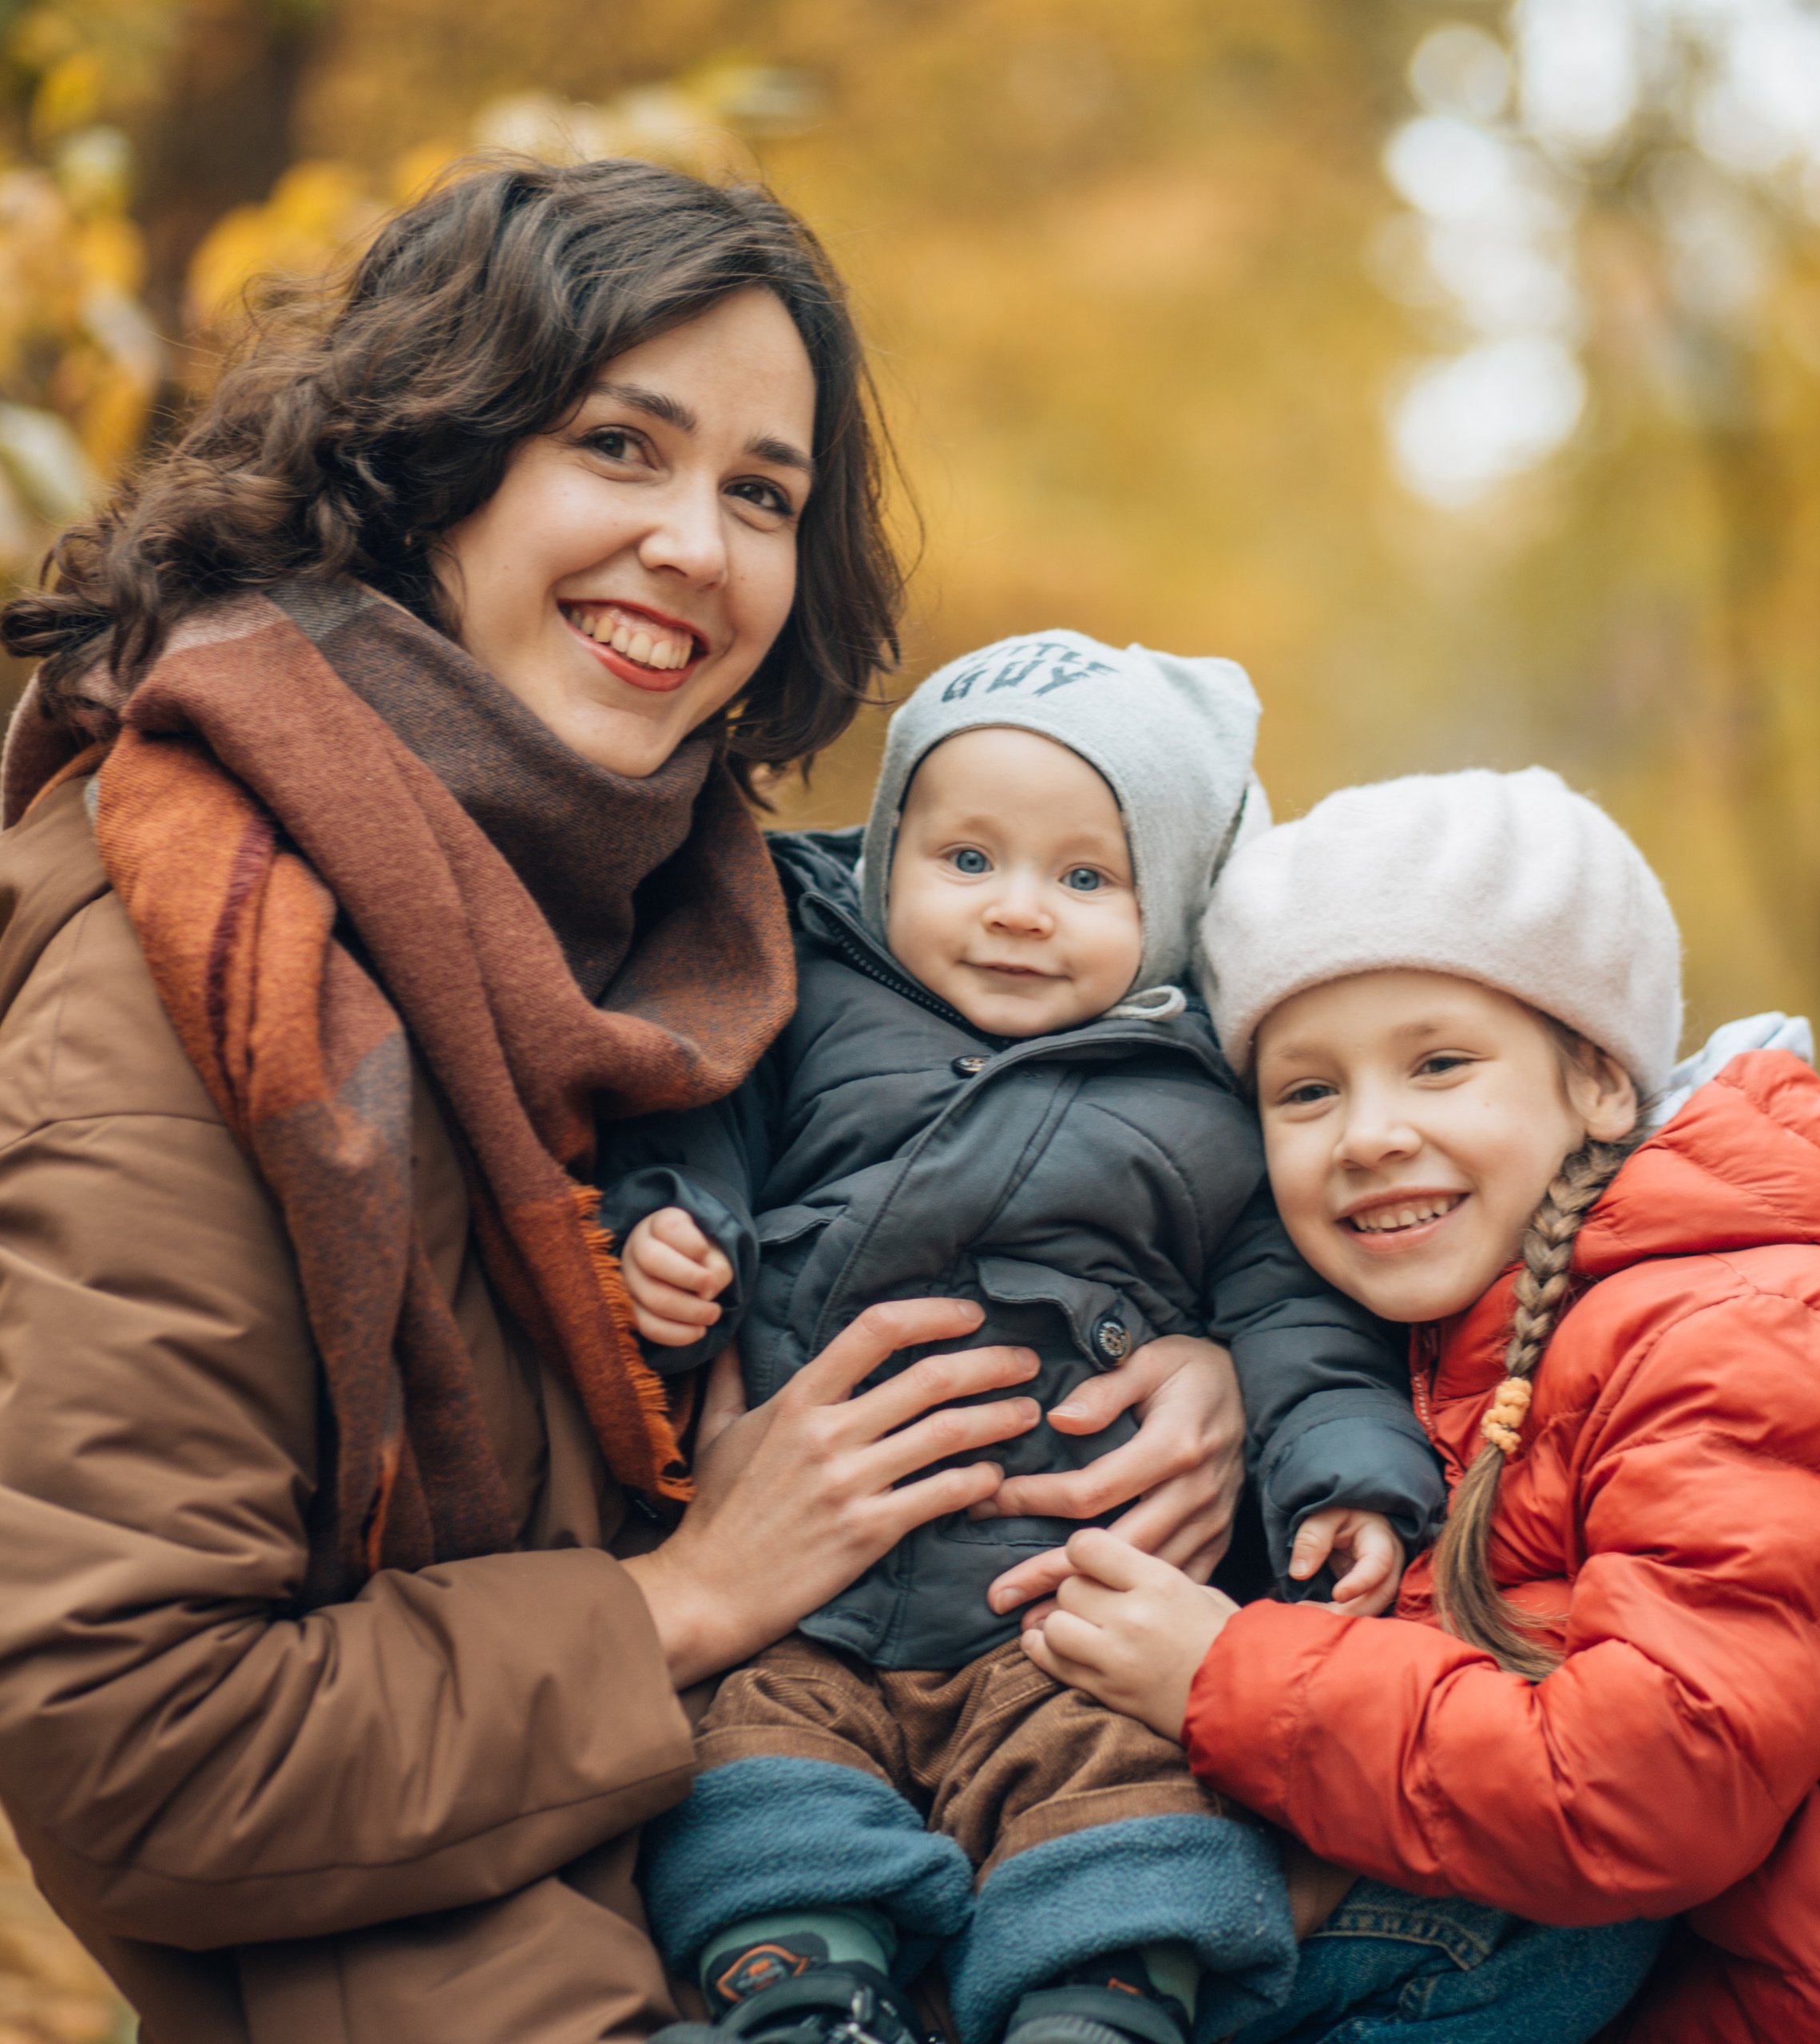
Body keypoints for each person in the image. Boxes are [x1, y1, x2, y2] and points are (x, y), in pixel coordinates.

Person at [0, 160, 1247, 2044]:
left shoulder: (704, 930)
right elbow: (140, 1747)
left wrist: (1183, 1355)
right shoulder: (179, 971)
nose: (698, 545)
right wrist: (681, 1597)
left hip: (827, 1860)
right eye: (619, 445)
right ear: (433, 461)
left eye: (762, 491)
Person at [1025, 765, 1820, 2043]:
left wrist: (1223, 1676)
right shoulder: (1440, 1333)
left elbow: (1653, 1785)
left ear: (1602, 1084)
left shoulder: (1745, 1330)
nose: (1369, 1134)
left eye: (1440, 1063)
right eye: (1308, 1091)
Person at [600, 633, 1446, 2044]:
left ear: (1168, 911)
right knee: (750, 1762)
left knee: (1134, 1784)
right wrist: (673, 1227)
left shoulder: (1200, 1104)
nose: (1018, 914)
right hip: (808, 1588)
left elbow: (1293, 1314)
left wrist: (1348, 1476)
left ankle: (1098, 2005)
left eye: (1084, 879)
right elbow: (697, 1120)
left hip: (1057, 1597)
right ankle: (805, 1993)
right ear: (886, 858)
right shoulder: (809, 1000)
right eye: (968, 860)